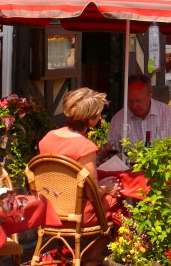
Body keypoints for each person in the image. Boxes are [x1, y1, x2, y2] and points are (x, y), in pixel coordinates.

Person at [37, 88, 121, 225]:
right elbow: (92, 194)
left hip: (49, 211)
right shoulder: (85, 147)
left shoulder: (47, 138)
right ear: (91, 119)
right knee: (118, 205)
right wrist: (106, 188)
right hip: (76, 214)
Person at [107, 74, 171, 152]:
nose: (134, 105)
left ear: (150, 96)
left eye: (138, 101)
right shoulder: (119, 119)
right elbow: (111, 152)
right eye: (130, 101)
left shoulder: (167, 115)